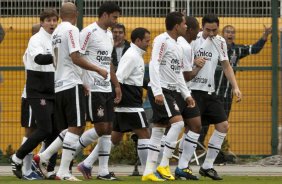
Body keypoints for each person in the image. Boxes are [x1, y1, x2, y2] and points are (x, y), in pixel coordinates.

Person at [33, 2, 107, 181]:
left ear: (60, 15)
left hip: (59, 85)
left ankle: (43, 157)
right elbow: (75, 57)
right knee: (77, 127)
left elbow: (61, 58)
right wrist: (97, 69)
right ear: (76, 14)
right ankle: (63, 172)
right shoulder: (71, 30)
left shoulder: (56, 32)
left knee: (72, 128)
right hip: (70, 84)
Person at [77, 27, 151, 180]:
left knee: (114, 137)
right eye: (147, 41)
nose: (148, 44)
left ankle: (87, 163)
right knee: (144, 133)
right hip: (130, 103)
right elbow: (119, 77)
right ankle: (148, 171)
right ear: (138, 41)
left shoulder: (135, 55)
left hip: (128, 102)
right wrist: (118, 96)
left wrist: (150, 86)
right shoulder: (131, 56)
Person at [142, 11, 195, 182]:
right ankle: (164, 164)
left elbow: (178, 73)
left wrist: (186, 94)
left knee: (158, 130)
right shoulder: (161, 40)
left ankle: (148, 172)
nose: (186, 26)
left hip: (171, 90)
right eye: (185, 24)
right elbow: (154, 64)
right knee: (178, 123)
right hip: (162, 90)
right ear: (177, 26)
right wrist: (157, 91)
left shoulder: (177, 45)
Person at [198, 24, 272, 146]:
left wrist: (265, 35)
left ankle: (219, 150)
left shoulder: (237, 50)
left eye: (232, 32)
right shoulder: (212, 47)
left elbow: (254, 49)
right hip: (210, 92)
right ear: (222, 34)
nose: (230, 34)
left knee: (223, 123)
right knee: (203, 122)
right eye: (227, 32)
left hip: (227, 95)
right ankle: (198, 148)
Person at [72, 1, 122, 180]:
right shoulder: (88, 32)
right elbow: (77, 57)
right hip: (92, 87)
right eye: (115, 17)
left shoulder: (109, 35)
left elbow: (107, 62)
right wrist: (89, 76)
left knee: (108, 129)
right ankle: (69, 155)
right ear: (105, 15)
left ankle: (102, 171)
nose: (117, 21)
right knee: (101, 127)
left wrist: (116, 85)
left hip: (106, 87)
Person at [188, 14, 242, 180]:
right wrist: (194, 61)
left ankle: (207, 166)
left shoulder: (220, 41)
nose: (211, 33)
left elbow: (226, 66)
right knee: (192, 129)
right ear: (201, 27)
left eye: (214, 30)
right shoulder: (192, 40)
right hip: (191, 90)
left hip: (210, 92)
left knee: (223, 125)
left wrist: (236, 87)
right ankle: (181, 166)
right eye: (207, 30)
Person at [10, 8, 59, 180]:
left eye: (55, 20)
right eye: (49, 20)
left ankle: (48, 168)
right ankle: (19, 159)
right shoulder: (35, 39)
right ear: (42, 22)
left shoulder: (56, 39)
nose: (52, 24)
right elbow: (39, 59)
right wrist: (58, 55)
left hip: (52, 89)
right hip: (36, 91)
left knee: (55, 130)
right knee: (40, 129)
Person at [172, 16, 207, 180]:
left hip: (183, 92)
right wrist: (198, 67)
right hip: (176, 92)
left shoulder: (184, 45)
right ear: (190, 30)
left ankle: (182, 166)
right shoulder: (184, 47)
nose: (199, 30)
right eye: (197, 28)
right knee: (166, 129)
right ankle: (157, 166)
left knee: (195, 125)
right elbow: (186, 75)